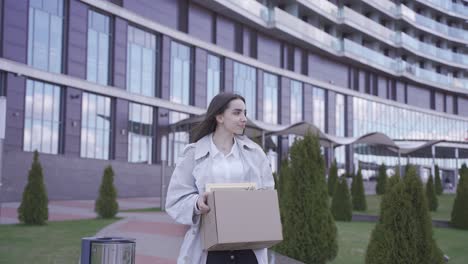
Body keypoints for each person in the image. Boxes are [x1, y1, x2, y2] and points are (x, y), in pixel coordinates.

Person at [166, 92, 275, 264]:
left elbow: (267, 193)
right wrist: (197, 203)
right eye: (237, 113)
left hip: (248, 249)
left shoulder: (255, 153)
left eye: (245, 113)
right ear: (219, 117)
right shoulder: (193, 154)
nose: (244, 118)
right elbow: (175, 200)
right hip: (209, 251)